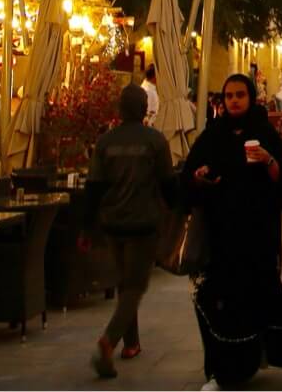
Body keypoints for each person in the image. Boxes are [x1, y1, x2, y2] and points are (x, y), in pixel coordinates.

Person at [184, 73, 282, 388]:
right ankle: (224, 368)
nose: (234, 101)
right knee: (223, 299)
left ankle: (261, 354)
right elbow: (189, 177)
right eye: (229, 96)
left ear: (250, 98)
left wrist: (268, 159)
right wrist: (201, 177)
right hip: (221, 234)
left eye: (240, 95)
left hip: (259, 233)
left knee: (259, 291)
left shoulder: (263, 133)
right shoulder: (212, 135)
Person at [86, 84, 176, 377]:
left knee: (126, 283)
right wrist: (180, 210)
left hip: (112, 222)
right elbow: (167, 183)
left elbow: (94, 187)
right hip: (143, 222)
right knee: (135, 286)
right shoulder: (155, 141)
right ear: (143, 109)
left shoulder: (105, 142)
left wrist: (87, 227)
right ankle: (109, 340)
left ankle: (132, 344)